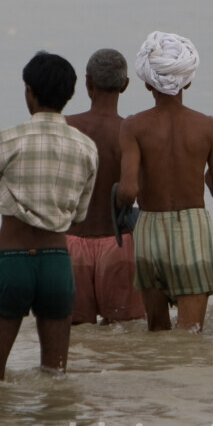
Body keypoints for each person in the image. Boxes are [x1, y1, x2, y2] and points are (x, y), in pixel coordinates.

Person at [0, 52, 99, 382]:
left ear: (29, 91)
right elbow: (78, 217)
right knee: (55, 379)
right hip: (56, 264)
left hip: (13, 262)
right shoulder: (86, 148)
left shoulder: (5, 140)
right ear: (69, 94)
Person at [116, 31, 213, 332]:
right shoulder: (209, 127)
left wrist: (119, 204)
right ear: (188, 81)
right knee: (189, 337)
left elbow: (129, 189)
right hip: (193, 230)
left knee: (157, 333)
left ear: (147, 83)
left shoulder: (133, 127)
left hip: (150, 230)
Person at [64, 48, 146, 325]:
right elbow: (142, 192)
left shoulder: (66, 127)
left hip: (72, 243)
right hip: (119, 244)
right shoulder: (131, 132)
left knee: (77, 341)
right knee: (124, 341)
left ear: (87, 83)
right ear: (125, 85)